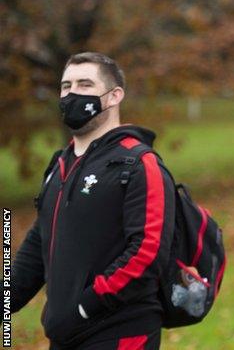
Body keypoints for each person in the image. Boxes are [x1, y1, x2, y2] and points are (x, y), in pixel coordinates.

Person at [11, 52, 175, 349]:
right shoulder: (60, 165)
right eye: (65, 86)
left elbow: (147, 253)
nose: (72, 94)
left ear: (114, 96)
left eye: (85, 84)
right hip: (64, 335)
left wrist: (87, 305)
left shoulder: (139, 164)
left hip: (120, 333)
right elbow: (41, 240)